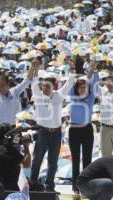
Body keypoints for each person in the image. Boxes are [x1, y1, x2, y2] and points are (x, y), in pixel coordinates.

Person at [29, 61, 75, 192]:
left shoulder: (59, 96)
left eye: (47, 86)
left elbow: (69, 83)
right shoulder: (37, 96)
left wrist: (71, 67)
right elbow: (33, 81)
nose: (45, 88)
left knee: (53, 162)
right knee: (37, 160)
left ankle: (50, 186)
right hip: (42, 132)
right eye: (43, 86)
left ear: (53, 86)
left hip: (56, 133)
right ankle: (32, 185)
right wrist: (35, 68)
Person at [68, 61, 99, 193]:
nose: (82, 89)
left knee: (87, 159)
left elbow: (95, 82)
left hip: (86, 129)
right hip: (74, 130)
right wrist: (72, 68)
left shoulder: (91, 97)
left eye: (84, 87)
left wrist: (94, 70)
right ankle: (75, 186)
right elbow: (70, 83)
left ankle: (86, 186)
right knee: (75, 159)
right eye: (80, 87)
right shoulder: (72, 96)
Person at [0, 66, 36, 142]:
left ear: (8, 84)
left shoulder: (14, 92)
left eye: (3, 85)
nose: (1, 88)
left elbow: (26, 81)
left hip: (11, 128)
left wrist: (32, 68)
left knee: (13, 150)